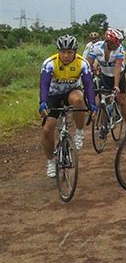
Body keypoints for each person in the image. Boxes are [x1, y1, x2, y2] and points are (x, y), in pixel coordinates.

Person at [39, 35, 97, 177]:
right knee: (47, 130)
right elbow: (44, 85)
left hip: (71, 92)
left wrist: (92, 104)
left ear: (75, 52)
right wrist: (42, 102)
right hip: (53, 96)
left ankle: (79, 132)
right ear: (58, 51)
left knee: (78, 100)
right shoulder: (50, 63)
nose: (66, 55)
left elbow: (88, 85)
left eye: (70, 52)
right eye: (63, 51)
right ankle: (51, 162)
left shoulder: (82, 63)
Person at [87, 28, 126, 135]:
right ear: (108, 42)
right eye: (115, 43)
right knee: (104, 101)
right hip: (105, 75)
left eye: (119, 43)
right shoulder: (96, 47)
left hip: (118, 75)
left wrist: (116, 86)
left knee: (121, 101)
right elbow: (88, 62)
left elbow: (117, 67)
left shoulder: (120, 49)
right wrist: (91, 70)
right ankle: (104, 125)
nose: (118, 45)